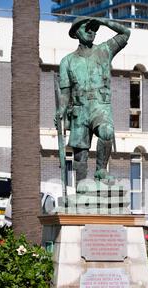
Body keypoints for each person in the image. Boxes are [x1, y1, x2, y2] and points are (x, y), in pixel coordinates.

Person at [55, 17, 130, 184]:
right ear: (76, 33)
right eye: (87, 27)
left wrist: (103, 21)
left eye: (94, 29)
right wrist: (61, 110)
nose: (91, 31)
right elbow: (65, 92)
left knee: (106, 131)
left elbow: (126, 33)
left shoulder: (105, 50)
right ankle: (81, 185)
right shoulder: (67, 61)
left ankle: (101, 171)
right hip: (79, 109)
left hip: (99, 105)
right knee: (80, 153)